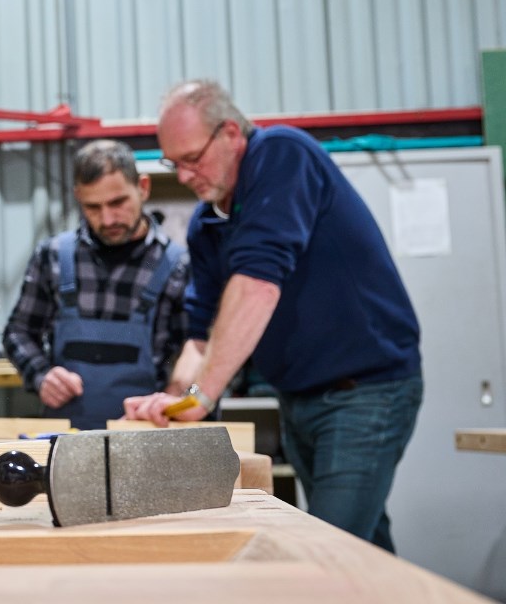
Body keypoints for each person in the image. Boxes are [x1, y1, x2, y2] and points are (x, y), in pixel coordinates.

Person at [124, 79, 422, 552]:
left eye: (192, 159)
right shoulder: (207, 224)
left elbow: (259, 285)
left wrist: (202, 396)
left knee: (326, 547)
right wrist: (175, 398)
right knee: (364, 545)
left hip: (366, 391)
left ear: (230, 134)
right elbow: (201, 334)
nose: (183, 176)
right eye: (172, 164)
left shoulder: (283, 155)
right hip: (300, 397)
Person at [2, 140, 191, 430]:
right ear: (78, 197)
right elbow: (18, 333)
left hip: (149, 433)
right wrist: (42, 375)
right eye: (93, 207)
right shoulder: (53, 256)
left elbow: (196, 348)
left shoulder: (178, 265)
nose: (108, 218)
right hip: (67, 436)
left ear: (143, 187)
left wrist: (174, 397)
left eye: (118, 203)